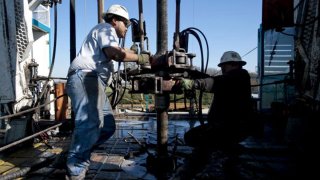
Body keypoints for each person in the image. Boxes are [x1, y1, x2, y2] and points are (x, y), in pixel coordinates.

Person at [65, 4, 150, 180]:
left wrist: (130, 52)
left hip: (94, 82)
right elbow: (115, 53)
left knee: (108, 126)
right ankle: (75, 170)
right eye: (125, 24)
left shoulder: (107, 34)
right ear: (114, 21)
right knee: (89, 124)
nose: (126, 28)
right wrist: (142, 58)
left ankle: (73, 156)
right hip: (86, 77)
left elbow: (118, 51)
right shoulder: (105, 28)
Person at [177, 51, 253, 150]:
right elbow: (215, 79)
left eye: (223, 66)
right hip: (227, 126)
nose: (222, 69)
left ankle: (226, 153)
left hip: (232, 128)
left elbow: (216, 82)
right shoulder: (237, 77)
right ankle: (227, 150)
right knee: (194, 136)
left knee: (192, 138)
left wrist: (193, 83)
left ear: (227, 65)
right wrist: (194, 74)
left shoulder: (239, 77)